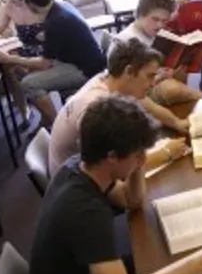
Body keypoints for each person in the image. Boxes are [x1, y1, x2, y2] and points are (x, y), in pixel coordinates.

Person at [31, 96, 202, 274]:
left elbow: (131, 200)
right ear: (111, 156)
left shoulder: (80, 165)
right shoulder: (85, 212)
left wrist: (136, 165)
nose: (145, 160)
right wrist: (198, 266)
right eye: (138, 155)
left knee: (154, 260)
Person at [48, 38, 189, 175]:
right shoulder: (96, 107)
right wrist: (167, 153)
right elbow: (110, 168)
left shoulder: (110, 80)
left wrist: (177, 123)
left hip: (87, 166)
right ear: (128, 72)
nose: (153, 83)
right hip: (76, 182)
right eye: (149, 76)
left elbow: (149, 106)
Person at [0, 0, 106, 129]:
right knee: (27, 70)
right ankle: (47, 118)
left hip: (84, 69)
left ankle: (59, 127)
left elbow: (45, 63)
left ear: (30, 3)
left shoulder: (55, 22)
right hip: (79, 60)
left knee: (28, 83)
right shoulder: (59, 9)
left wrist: (9, 58)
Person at [112, 0, 202, 103]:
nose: (160, 25)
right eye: (155, 19)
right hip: (135, 95)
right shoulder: (127, 41)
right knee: (172, 89)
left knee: (181, 73)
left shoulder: (150, 32)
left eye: (164, 21)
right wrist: (158, 76)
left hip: (153, 81)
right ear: (140, 14)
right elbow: (127, 85)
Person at [0, 0, 44, 129]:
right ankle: (25, 111)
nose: (9, 1)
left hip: (42, 49)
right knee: (8, 69)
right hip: (24, 48)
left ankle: (37, 104)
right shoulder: (8, 7)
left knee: (14, 68)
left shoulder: (33, 5)